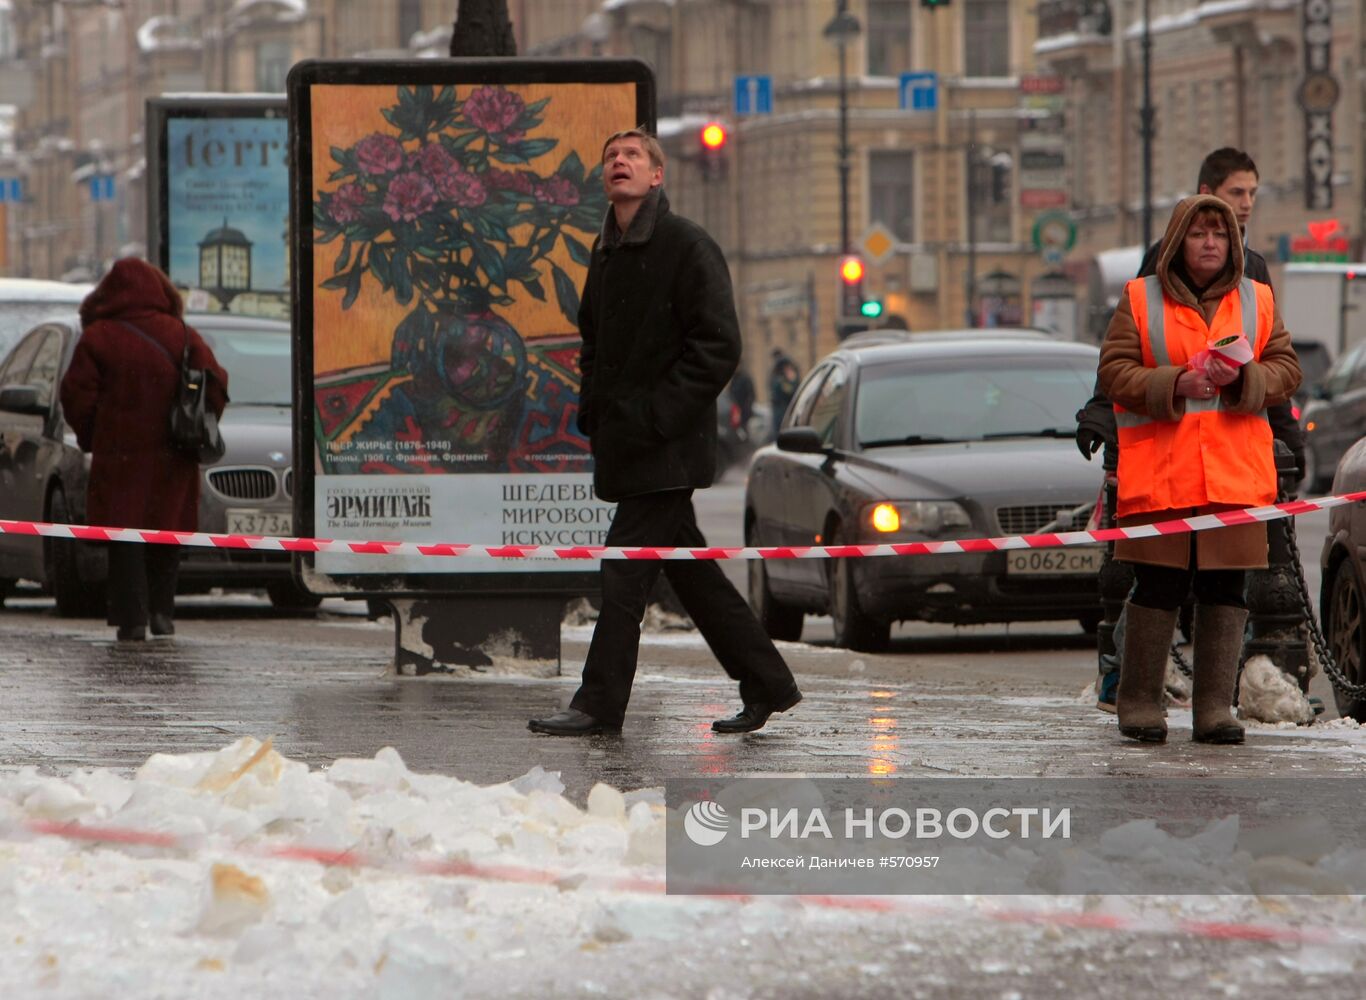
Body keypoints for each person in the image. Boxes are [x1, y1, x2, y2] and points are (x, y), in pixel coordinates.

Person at [528, 129, 801, 737]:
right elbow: (592, 342)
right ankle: (768, 682)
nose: (618, 162)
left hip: (667, 448)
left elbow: (718, 345)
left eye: (633, 155)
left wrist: (657, 417)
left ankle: (598, 705)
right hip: (627, 444)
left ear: (657, 177)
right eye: (610, 157)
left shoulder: (686, 245)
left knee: (623, 572)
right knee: (692, 572)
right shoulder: (605, 253)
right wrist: (592, 407)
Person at [1077, 148, 1303, 712]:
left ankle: (1214, 712)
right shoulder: (1141, 297)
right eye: (1200, 233)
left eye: (1219, 235)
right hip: (1164, 473)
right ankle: (1139, 704)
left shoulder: (1257, 297)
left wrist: (1244, 380)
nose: (1210, 243)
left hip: (1233, 475)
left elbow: (1287, 370)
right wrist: (1174, 383)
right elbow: (1114, 371)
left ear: (1232, 244)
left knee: (1224, 591)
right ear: (1179, 240)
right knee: (1158, 590)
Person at [60, 258, 228, 642]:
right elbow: (216, 384)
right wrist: (192, 426)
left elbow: (75, 396)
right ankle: (161, 612)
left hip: (121, 456)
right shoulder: (182, 333)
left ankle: (131, 618)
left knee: (125, 536)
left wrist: (94, 435)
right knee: (165, 531)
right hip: (174, 455)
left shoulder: (99, 336)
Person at [768, 348, 799, 439]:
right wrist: (793, 380)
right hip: (783, 416)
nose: (790, 370)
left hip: (783, 415)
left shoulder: (776, 379)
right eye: (788, 368)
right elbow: (792, 391)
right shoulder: (780, 382)